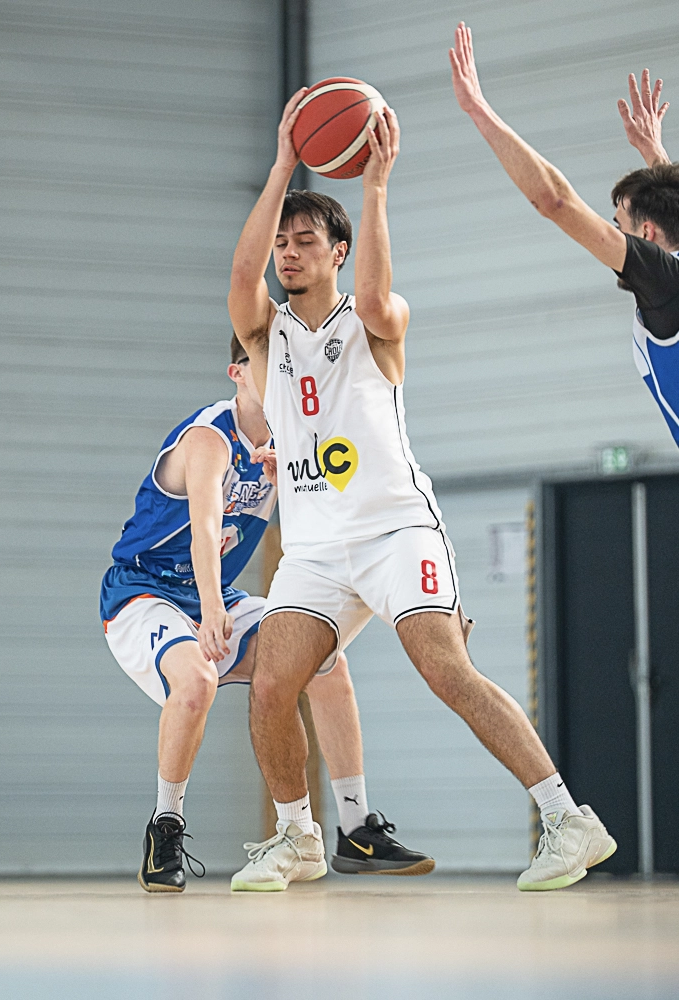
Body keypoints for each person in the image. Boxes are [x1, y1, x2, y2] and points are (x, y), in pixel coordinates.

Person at [227, 88, 615, 893]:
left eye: (305, 241)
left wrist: (374, 187)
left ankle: (567, 819)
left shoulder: (377, 321)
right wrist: (282, 164)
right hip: (316, 550)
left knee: (446, 669)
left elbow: (374, 297)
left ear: (339, 250)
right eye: (282, 243)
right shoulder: (267, 334)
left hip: (396, 530)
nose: (287, 253)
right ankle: (299, 838)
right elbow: (240, 273)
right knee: (270, 684)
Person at [100, 334, 432, 893]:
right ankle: (165, 827)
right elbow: (205, 526)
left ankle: (354, 829)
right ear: (237, 374)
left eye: (284, 366)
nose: (278, 375)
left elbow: (342, 519)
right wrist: (211, 608)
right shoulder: (210, 437)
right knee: (197, 681)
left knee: (325, 663)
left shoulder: (291, 441)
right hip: (144, 590)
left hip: (216, 593)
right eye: (264, 364)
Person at [450, 23, 679, 446]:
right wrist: (654, 155)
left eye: (620, 228)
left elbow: (555, 201)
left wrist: (478, 109)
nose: (616, 235)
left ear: (646, 234)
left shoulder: (665, 281)